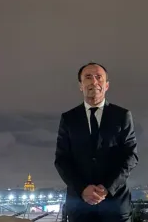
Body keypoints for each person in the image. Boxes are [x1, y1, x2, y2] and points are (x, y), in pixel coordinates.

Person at [54, 62, 139, 222]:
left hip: (115, 204)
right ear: (80, 85)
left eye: (99, 77)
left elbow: (131, 156)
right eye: (88, 77)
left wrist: (107, 188)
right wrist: (82, 189)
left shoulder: (122, 115)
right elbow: (62, 159)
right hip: (79, 206)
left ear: (107, 85)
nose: (94, 82)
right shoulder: (68, 118)